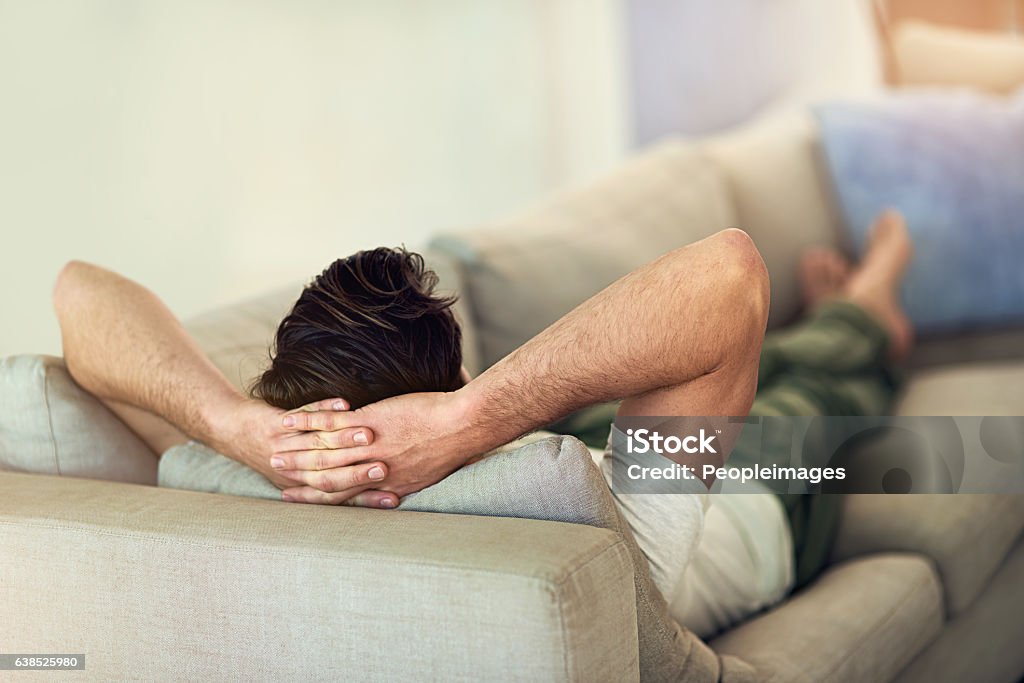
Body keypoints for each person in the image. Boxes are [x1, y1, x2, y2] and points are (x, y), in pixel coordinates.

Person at [53, 210, 913, 636]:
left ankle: (831, 312)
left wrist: (233, 427)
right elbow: (729, 277)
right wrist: (471, 417)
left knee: (744, 355)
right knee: (829, 371)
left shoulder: (272, 474)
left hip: (600, 433)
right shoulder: (594, 528)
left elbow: (77, 291)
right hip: (758, 491)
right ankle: (875, 294)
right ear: (444, 391)